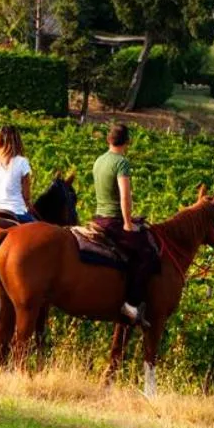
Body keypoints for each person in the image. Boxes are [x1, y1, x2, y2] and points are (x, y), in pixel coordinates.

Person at [92, 122, 156, 324]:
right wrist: (128, 223)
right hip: (114, 220)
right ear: (128, 141)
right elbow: (125, 196)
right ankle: (131, 304)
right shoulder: (121, 163)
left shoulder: (99, 161)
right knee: (147, 254)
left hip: (99, 218)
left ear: (108, 140)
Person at [0, 125, 34, 222]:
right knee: (38, 232)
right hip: (15, 209)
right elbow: (26, 195)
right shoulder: (22, 162)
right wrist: (29, 205)